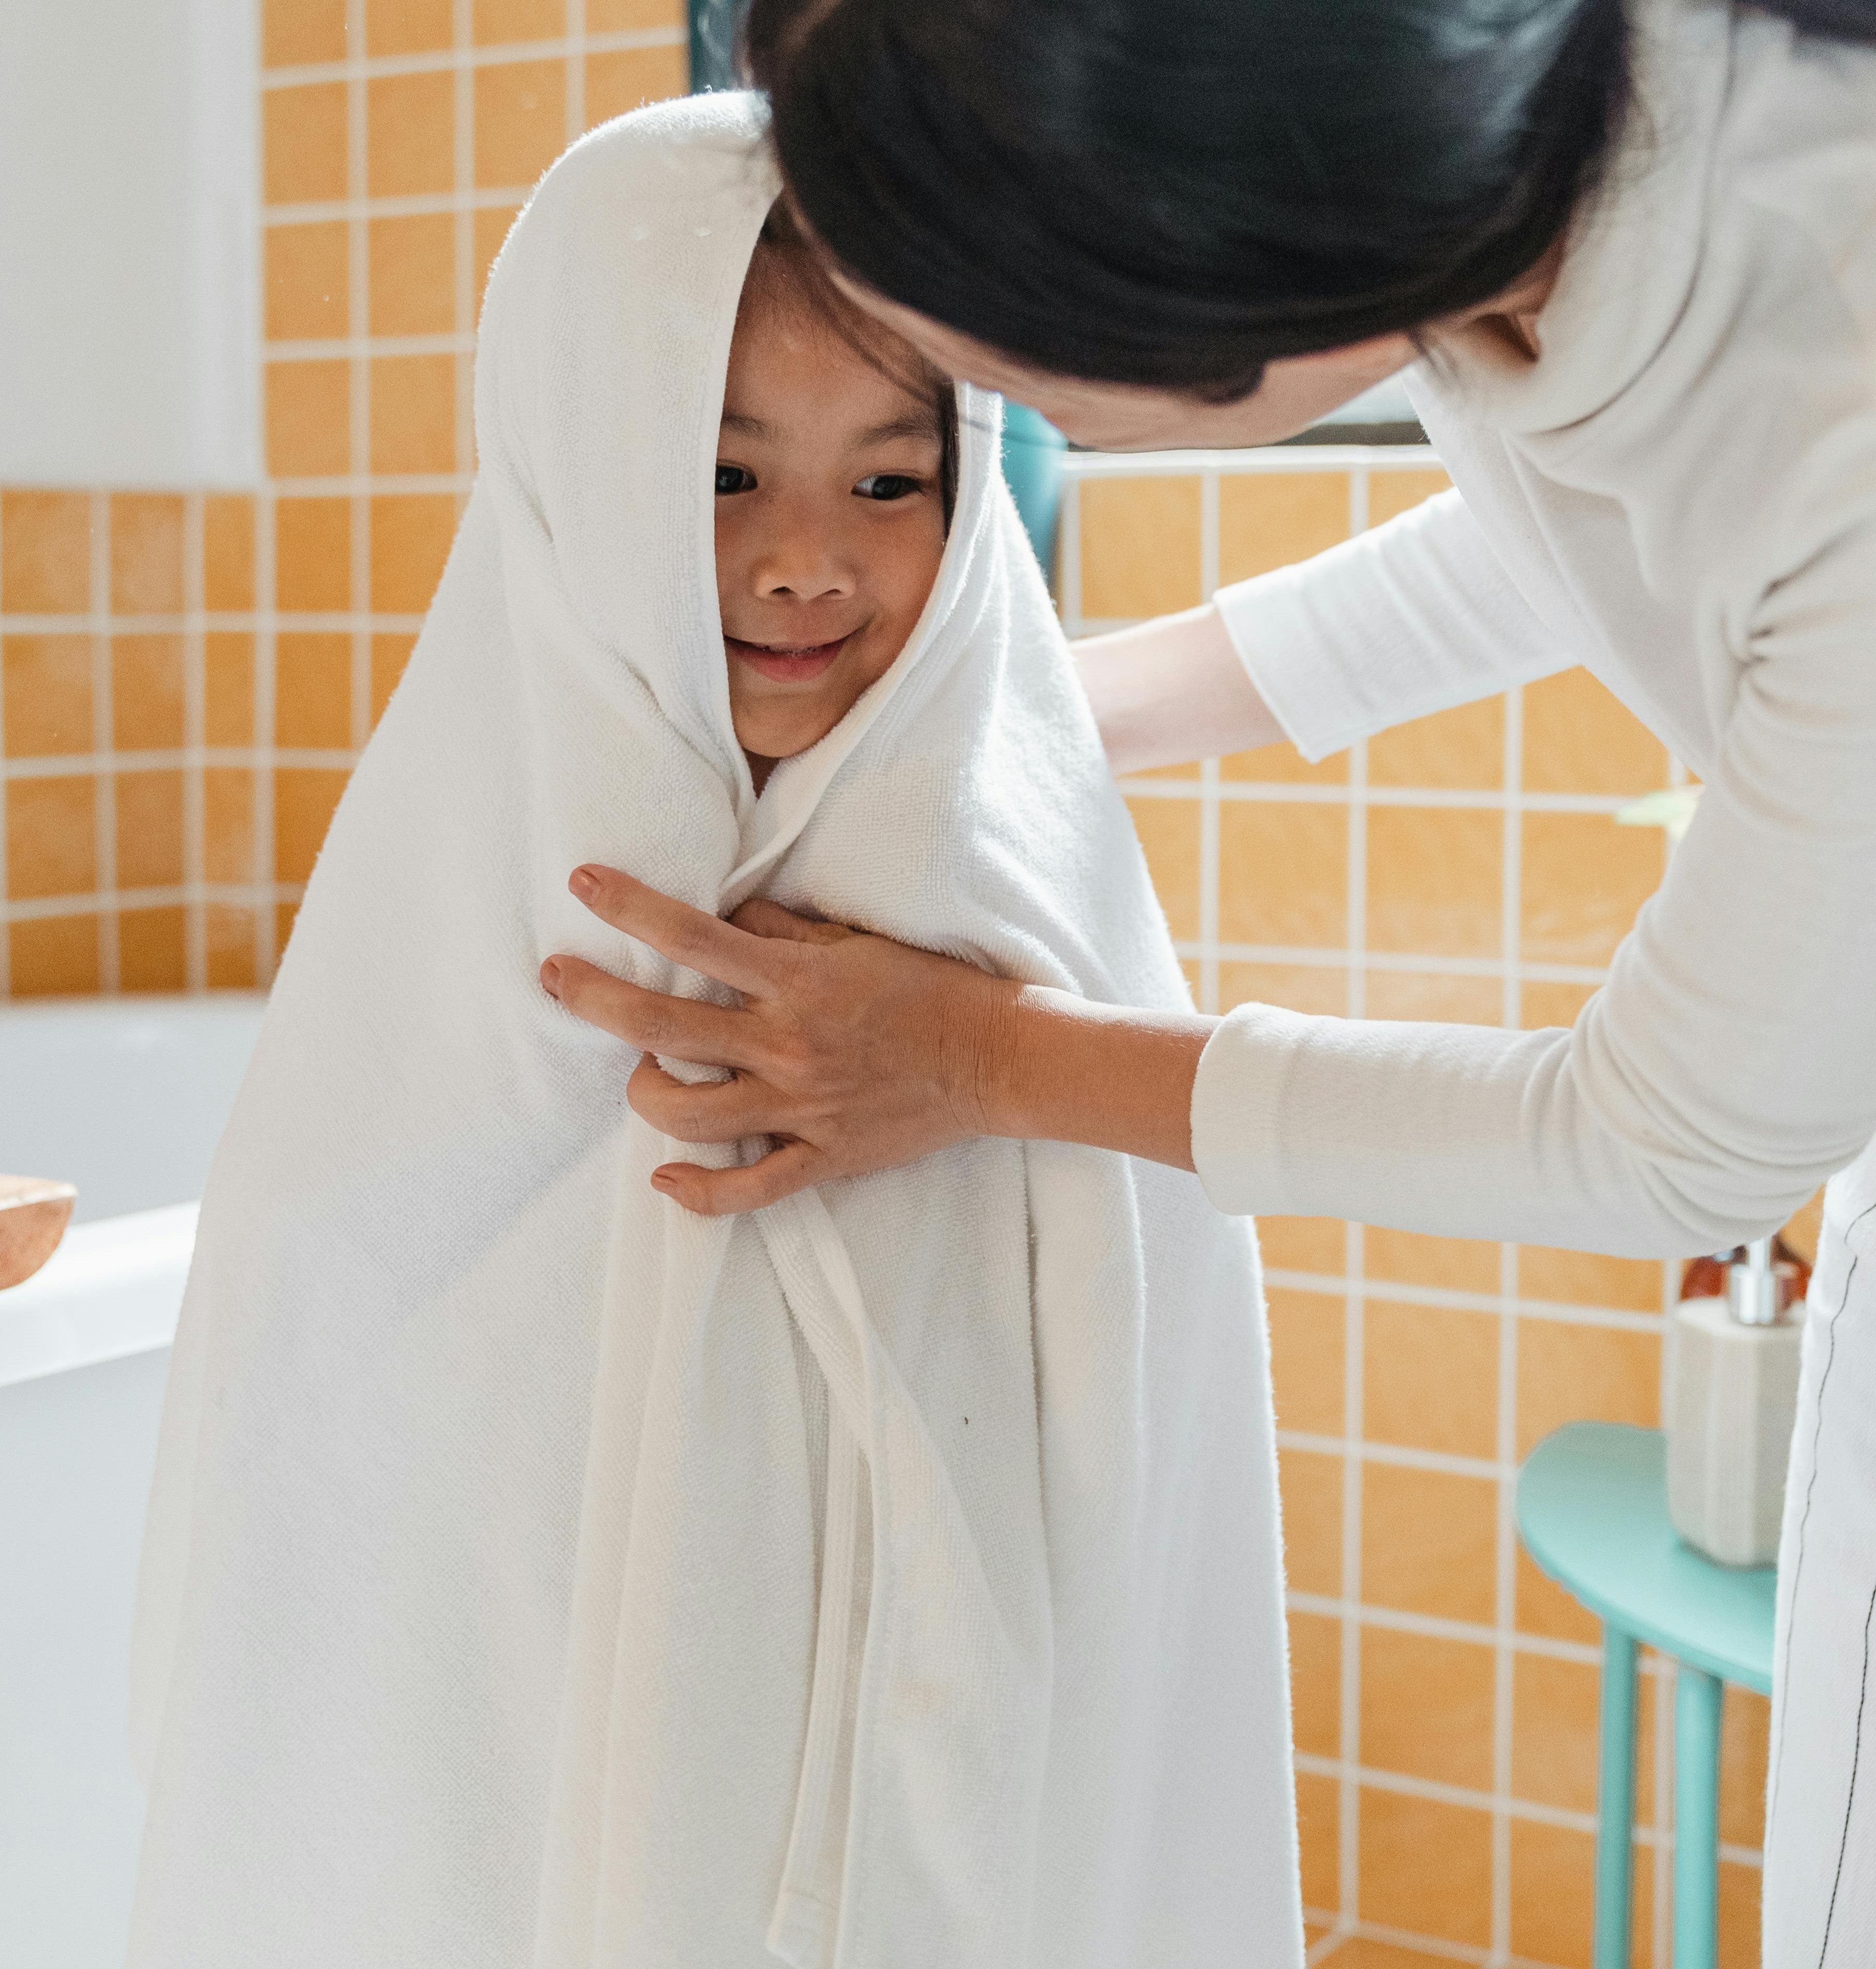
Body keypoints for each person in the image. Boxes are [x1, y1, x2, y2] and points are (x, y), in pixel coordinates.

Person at [541, 0, 1876, 1956]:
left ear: (1217, 268)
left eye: (959, 393)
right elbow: (1556, 537)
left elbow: (1655, 1141)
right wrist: (1013, 724)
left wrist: (978, 1058)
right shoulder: (1531, 135)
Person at [129, 94, 1300, 1968]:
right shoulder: (438, 931)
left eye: (889, 481)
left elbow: (1130, 1383)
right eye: (720, 475)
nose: (804, 564)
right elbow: (339, 1494)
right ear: (575, 471)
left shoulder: (1026, 889)